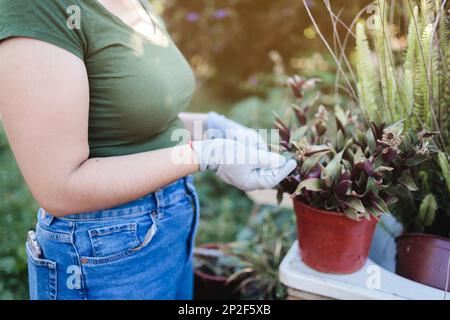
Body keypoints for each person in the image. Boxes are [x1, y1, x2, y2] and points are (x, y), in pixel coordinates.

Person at [0, 0, 296, 300]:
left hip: (171, 224)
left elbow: (138, 123)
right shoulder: (36, 8)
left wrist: (210, 127)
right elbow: (60, 187)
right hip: (103, 252)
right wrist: (204, 154)